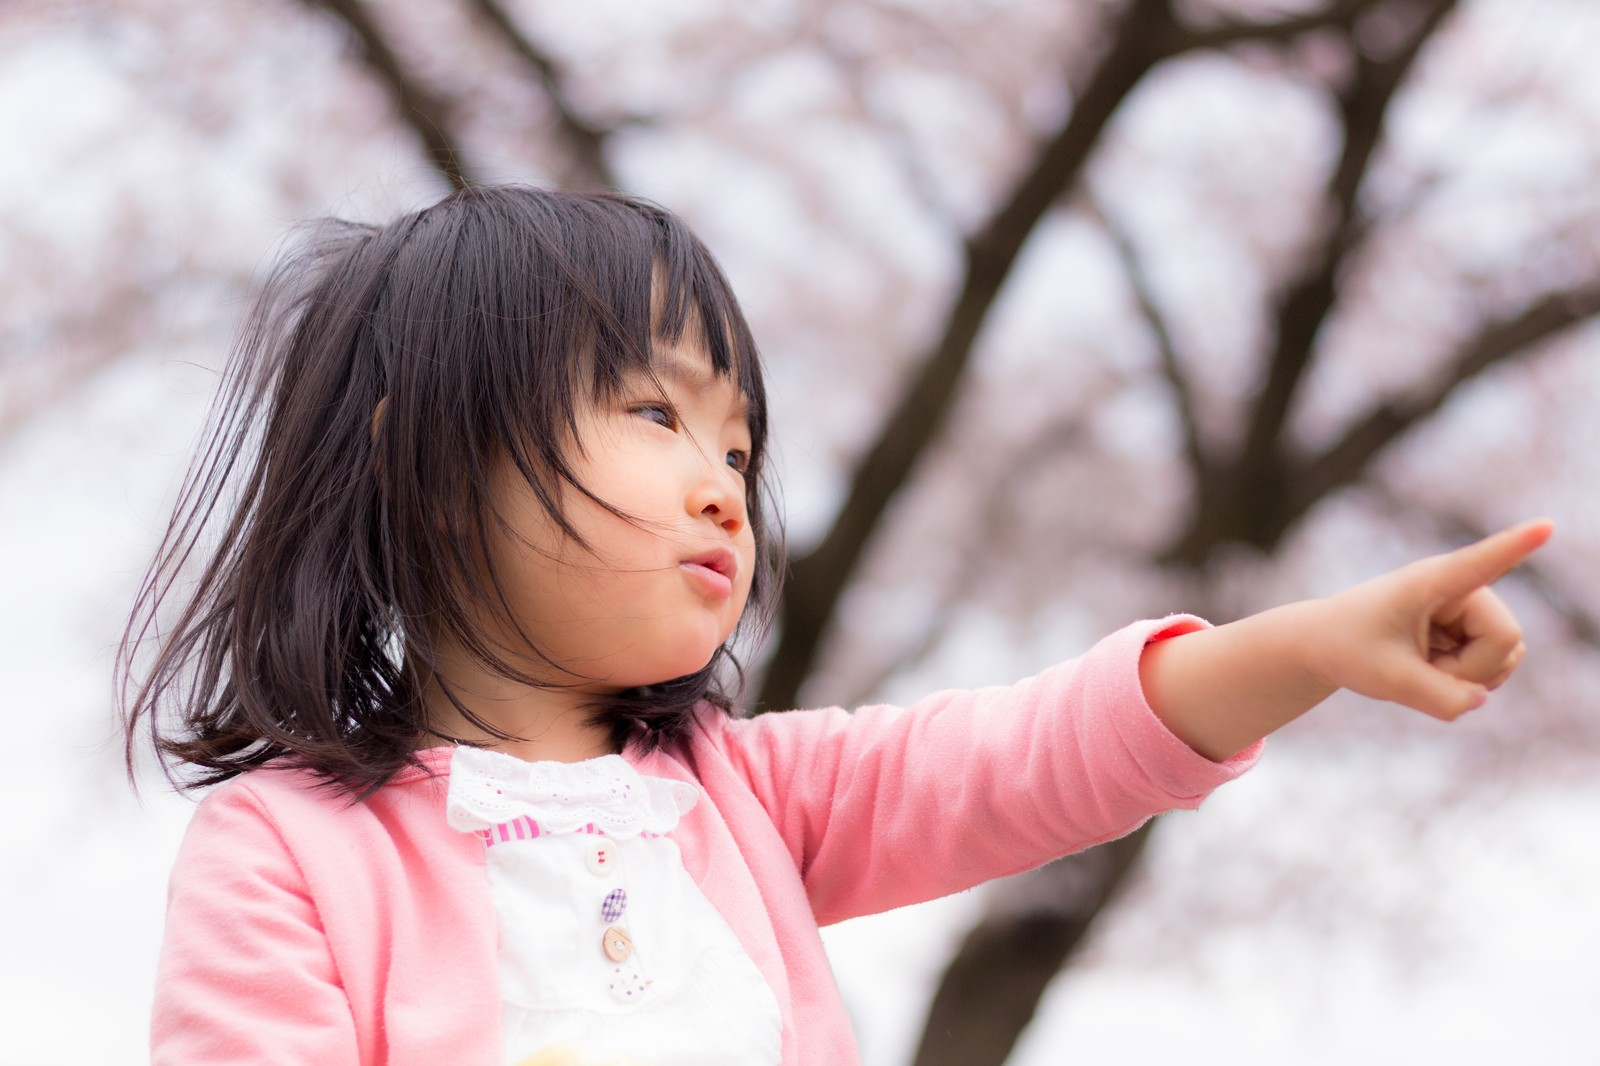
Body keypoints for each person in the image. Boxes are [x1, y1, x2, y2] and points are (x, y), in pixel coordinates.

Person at [119, 184, 1549, 1066]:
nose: (720, 484)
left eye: (739, 448)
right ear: (423, 457)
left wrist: (1300, 646)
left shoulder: (750, 799)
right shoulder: (289, 851)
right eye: (654, 409)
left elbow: (1032, 752)